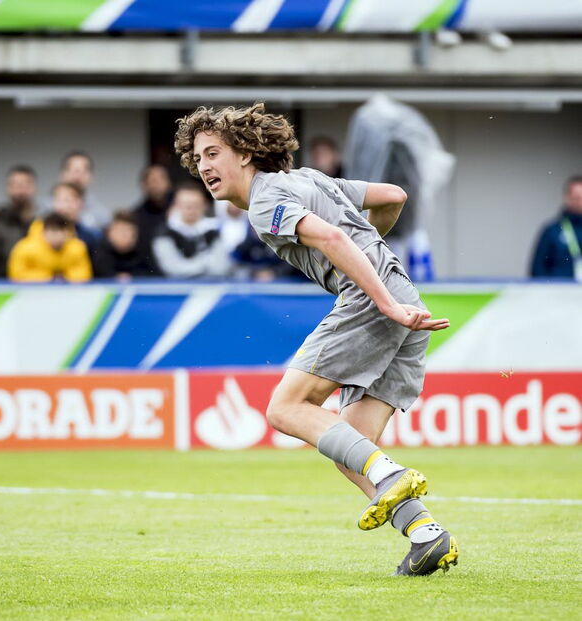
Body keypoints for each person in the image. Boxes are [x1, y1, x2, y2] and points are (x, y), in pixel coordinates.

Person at [174, 102, 457, 576]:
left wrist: (380, 297)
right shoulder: (311, 178)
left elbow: (331, 238)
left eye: (213, 152)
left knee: (285, 409)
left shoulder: (265, 199)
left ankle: (393, 477)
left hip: (380, 303)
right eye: (197, 157)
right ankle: (428, 537)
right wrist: (375, 264)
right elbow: (393, 195)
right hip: (404, 294)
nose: (203, 166)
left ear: (245, 154)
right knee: (350, 445)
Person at [151, 183, 230, 278]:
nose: (191, 210)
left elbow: (221, 268)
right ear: (176, 205)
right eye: (187, 205)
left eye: (196, 205)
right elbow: (171, 269)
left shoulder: (214, 230)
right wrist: (204, 264)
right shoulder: (164, 232)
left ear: (204, 205)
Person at [7, 212, 92, 282]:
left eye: (60, 231)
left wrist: (64, 278)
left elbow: (84, 273)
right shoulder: (25, 248)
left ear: (67, 233)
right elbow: (16, 274)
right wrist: (49, 276)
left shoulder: (77, 248)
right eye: (53, 231)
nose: (57, 236)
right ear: (44, 231)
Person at [530, 175, 582, 281]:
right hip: (559, 293)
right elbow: (538, 269)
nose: (579, 202)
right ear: (567, 198)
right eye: (576, 198)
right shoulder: (552, 231)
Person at [0, 165, 38, 276]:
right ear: (8, 188)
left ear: (34, 188)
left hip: (39, 286)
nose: (20, 191)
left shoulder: (45, 221)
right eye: (16, 185)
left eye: (25, 185)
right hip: (4, 286)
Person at [92, 210, 159, 280]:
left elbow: (154, 276)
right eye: (122, 231)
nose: (126, 235)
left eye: (130, 231)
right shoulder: (99, 253)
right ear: (110, 232)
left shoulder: (144, 252)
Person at [132, 164, 174, 265]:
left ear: (169, 183)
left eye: (162, 179)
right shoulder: (136, 217)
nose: (157, 185)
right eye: (153, 180)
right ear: (144, 185)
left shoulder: (179, 211)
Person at [58, 151, 109, 228]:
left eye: (83, 170)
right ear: (62, 174)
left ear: (91, 176)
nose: (77, 175)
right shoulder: (45, 209)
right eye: (73, 170)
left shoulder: (101, 215)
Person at [50, 182, 99, 249]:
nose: (60, 205)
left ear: (80, 203)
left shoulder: (90, 236)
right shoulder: (39, 229)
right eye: (57, 199)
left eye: (66, 200)